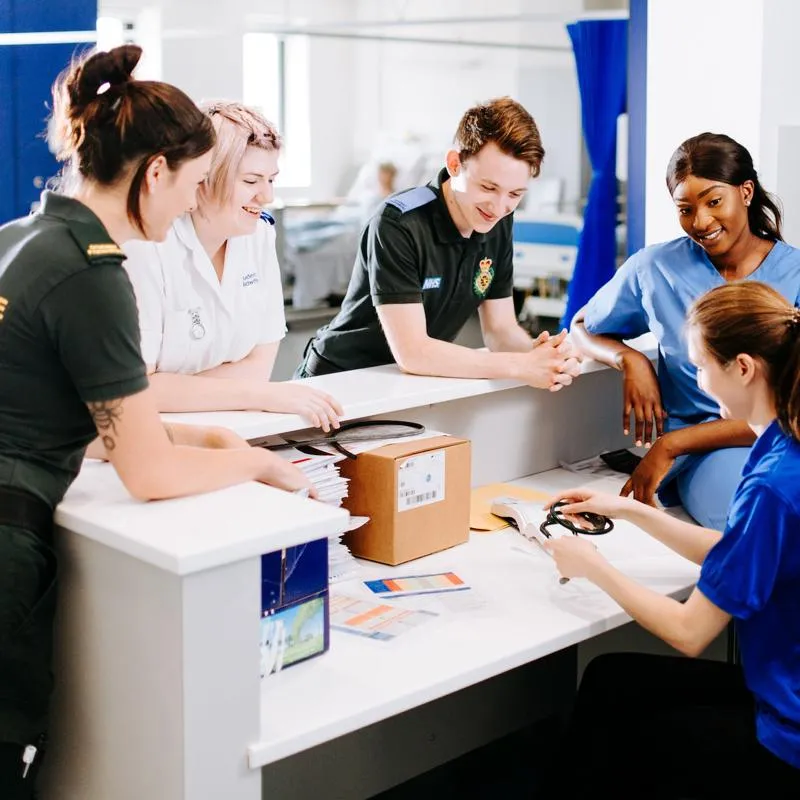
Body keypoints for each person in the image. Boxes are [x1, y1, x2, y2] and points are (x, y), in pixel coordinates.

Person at [0, 46, 312, 799]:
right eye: (195, 184)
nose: (188, 208)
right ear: (155, 173)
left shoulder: (21, 237)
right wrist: (257, 464)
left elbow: (104, 411)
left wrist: (209, 435)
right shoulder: (94, 274)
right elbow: (150, 475)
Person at [544, 281, 800, 798]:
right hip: (784, 691)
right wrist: (631, 512)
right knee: (612, 679)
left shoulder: (775, 481)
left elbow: (689, 632)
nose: (701, 384)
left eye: (702, 366)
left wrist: (591, 563)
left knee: (613, 732)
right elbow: (744, 554)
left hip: (785, 740)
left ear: (744, 367)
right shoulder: (782, 439)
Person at [571, 132, 800, 530]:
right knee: (753, 519)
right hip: (711, 452)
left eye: (714, 201)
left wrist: (670, 444)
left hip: (783, 436)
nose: (701, 222)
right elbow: (581, 326)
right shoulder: (655, 268)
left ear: (745, 192)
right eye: (685, 209)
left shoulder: (794, 275)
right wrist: (630, 359)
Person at [295, 97, 581, 391]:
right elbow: (414, 353)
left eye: (515, 194)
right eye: (488, 187)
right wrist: (521, 366)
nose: (499, 207)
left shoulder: (498, 220)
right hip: (338, 378)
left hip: (403, 383)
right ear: (455, 164)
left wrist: (543, 356)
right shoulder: (398, 224)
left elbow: (500, 329)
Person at [122, 101, 342, 430]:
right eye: (251, 181)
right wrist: (259, 395)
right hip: (150, 433)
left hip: (230, 425)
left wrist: (182, 387)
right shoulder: (147, 249)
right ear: (204, 179)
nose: (266, 196)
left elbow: (259, 366)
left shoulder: (259, 236)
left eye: (271, 180)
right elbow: (136, 390)